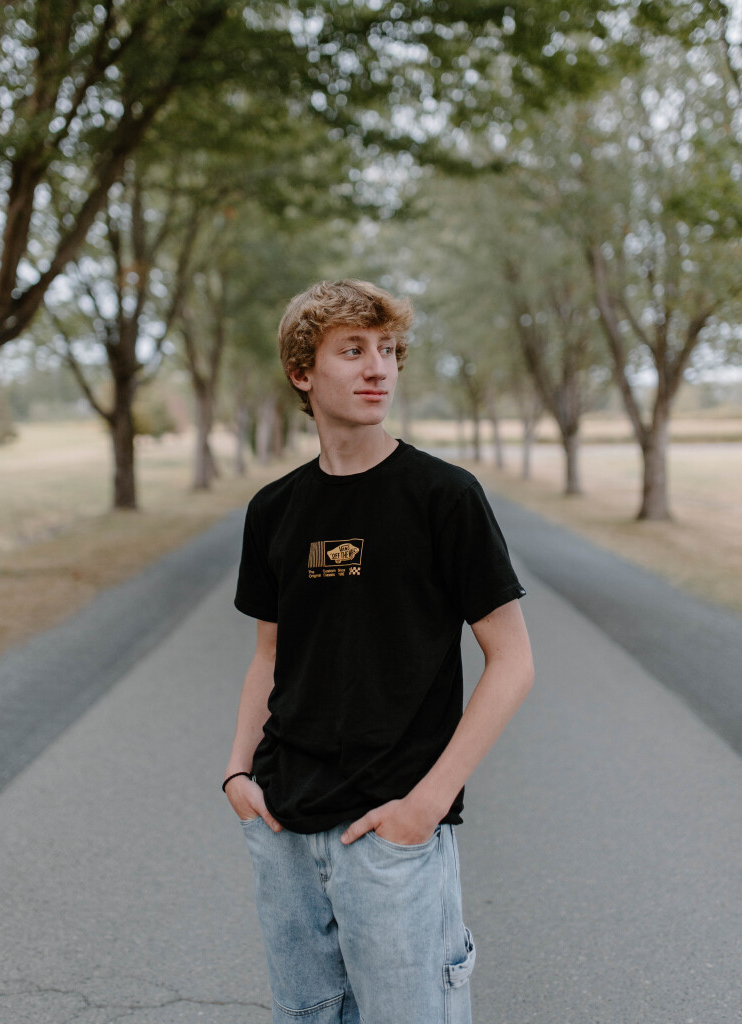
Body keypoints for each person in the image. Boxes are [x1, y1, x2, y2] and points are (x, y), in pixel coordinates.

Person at [223, 279, 534, 1024]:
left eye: (389, 351)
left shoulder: (443, 496)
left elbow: (513, 660)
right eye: (353, 350)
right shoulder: (274, 510)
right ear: (302, 372)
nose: (378, 368)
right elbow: (269, 655)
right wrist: (238, 774)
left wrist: (426, 806)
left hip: (393, 835)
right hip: (284, 830)